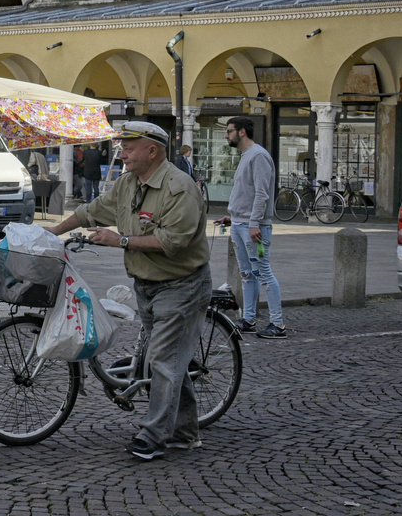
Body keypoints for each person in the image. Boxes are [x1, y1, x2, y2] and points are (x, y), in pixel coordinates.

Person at [52, 120, 210, 461]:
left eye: (129, 147)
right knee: (170, 359)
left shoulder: (179, 188)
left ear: (151, 151)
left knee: (163, 362)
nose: (122, 153)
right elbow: (91, 211)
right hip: (147, 285)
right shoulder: (128, 183)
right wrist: (52, 232)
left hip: (182, 286)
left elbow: (172, 242)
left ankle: (153, 435)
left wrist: (120, 240)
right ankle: (185, 432)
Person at [218, 116, 286, 340]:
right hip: (240, 223)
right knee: (247, 274)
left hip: (253, 226)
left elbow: (262, 193)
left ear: (242, 132)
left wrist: (254, 222)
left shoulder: (258, 156)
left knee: (263, 272)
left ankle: (278, 324)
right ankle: (248, 319)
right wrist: (233, 216)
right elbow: (246, 192)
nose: (227, 135)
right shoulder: (246, 155)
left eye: (229, 131)